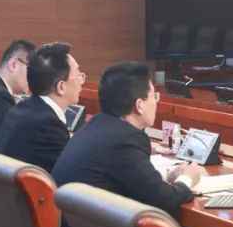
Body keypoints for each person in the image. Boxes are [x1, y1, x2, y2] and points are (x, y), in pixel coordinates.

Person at [52, 60, 203, 212]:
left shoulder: (96, 125)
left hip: (73, 223)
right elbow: (163, 200)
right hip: (97, 226)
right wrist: (187, 178)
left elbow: (132, 176)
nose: (156, 102)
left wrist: (168, 175)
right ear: (139, 105)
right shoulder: (124, 140)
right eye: (154, 96)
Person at [0, 42, 83, 172]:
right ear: (61, 87)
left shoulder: (20, 109)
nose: (81, 81)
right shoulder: (48, 125)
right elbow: (68, 174)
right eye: (78, 76)